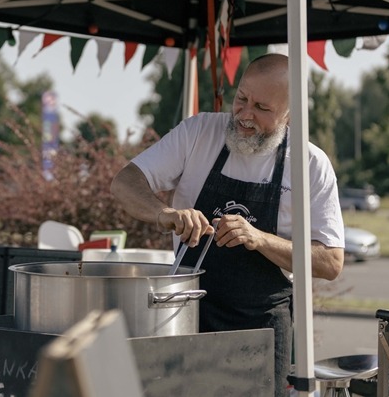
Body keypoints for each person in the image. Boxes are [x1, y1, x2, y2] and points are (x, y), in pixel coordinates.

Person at [110, 53, 344, 396]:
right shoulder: (198, 132)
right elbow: (124, 182)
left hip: (261, 330)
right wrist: (165, 213)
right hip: (187, 317)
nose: (246, 115)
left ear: (290, 114)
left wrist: (259, 239)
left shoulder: (310, 164)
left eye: (262, 108)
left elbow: (331, 262)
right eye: (242, 99)